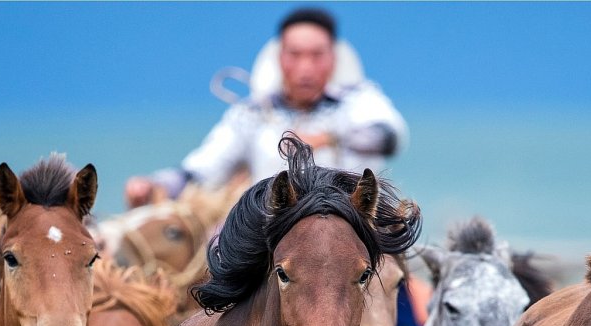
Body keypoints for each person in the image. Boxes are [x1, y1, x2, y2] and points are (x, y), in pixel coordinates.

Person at [124, 7, 408, 207]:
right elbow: (202, 169)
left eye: (316, 55)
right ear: (279, 58)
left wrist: (330, 137)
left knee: (394, 278)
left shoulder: (359, 100)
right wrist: (153, 184)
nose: (305, 68)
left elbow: (389, 136)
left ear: (333, 58)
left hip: (354, 229)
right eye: (295, 55)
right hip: (272, 231)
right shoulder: (252, 114)